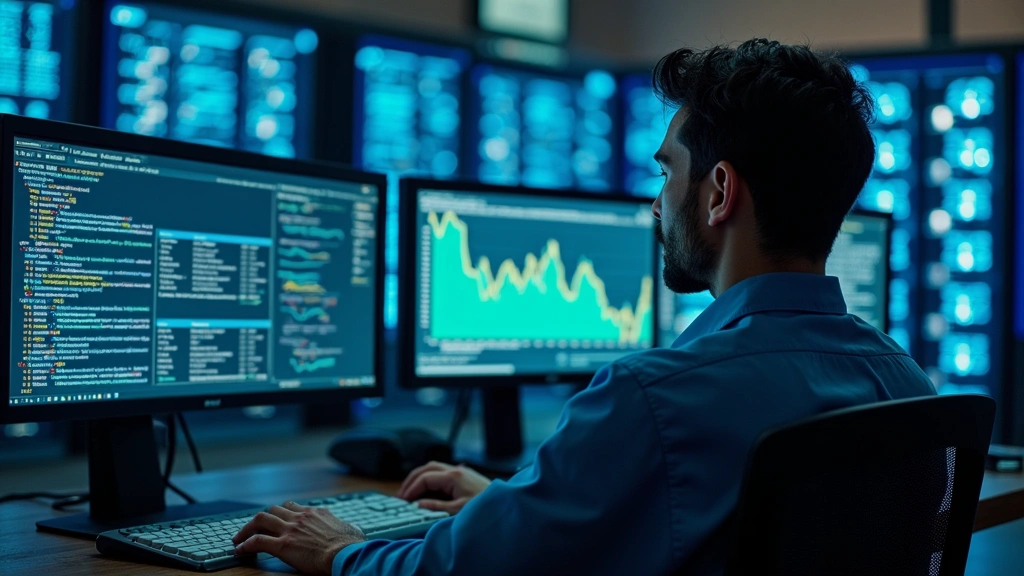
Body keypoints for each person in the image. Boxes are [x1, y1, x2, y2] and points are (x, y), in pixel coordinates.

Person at [231, 39, 936, 575]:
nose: (655, 203)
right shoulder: (907, 385)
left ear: (719, 193)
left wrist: (343, 551)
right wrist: (509, 503)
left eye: (667, 172)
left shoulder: (654, 398)